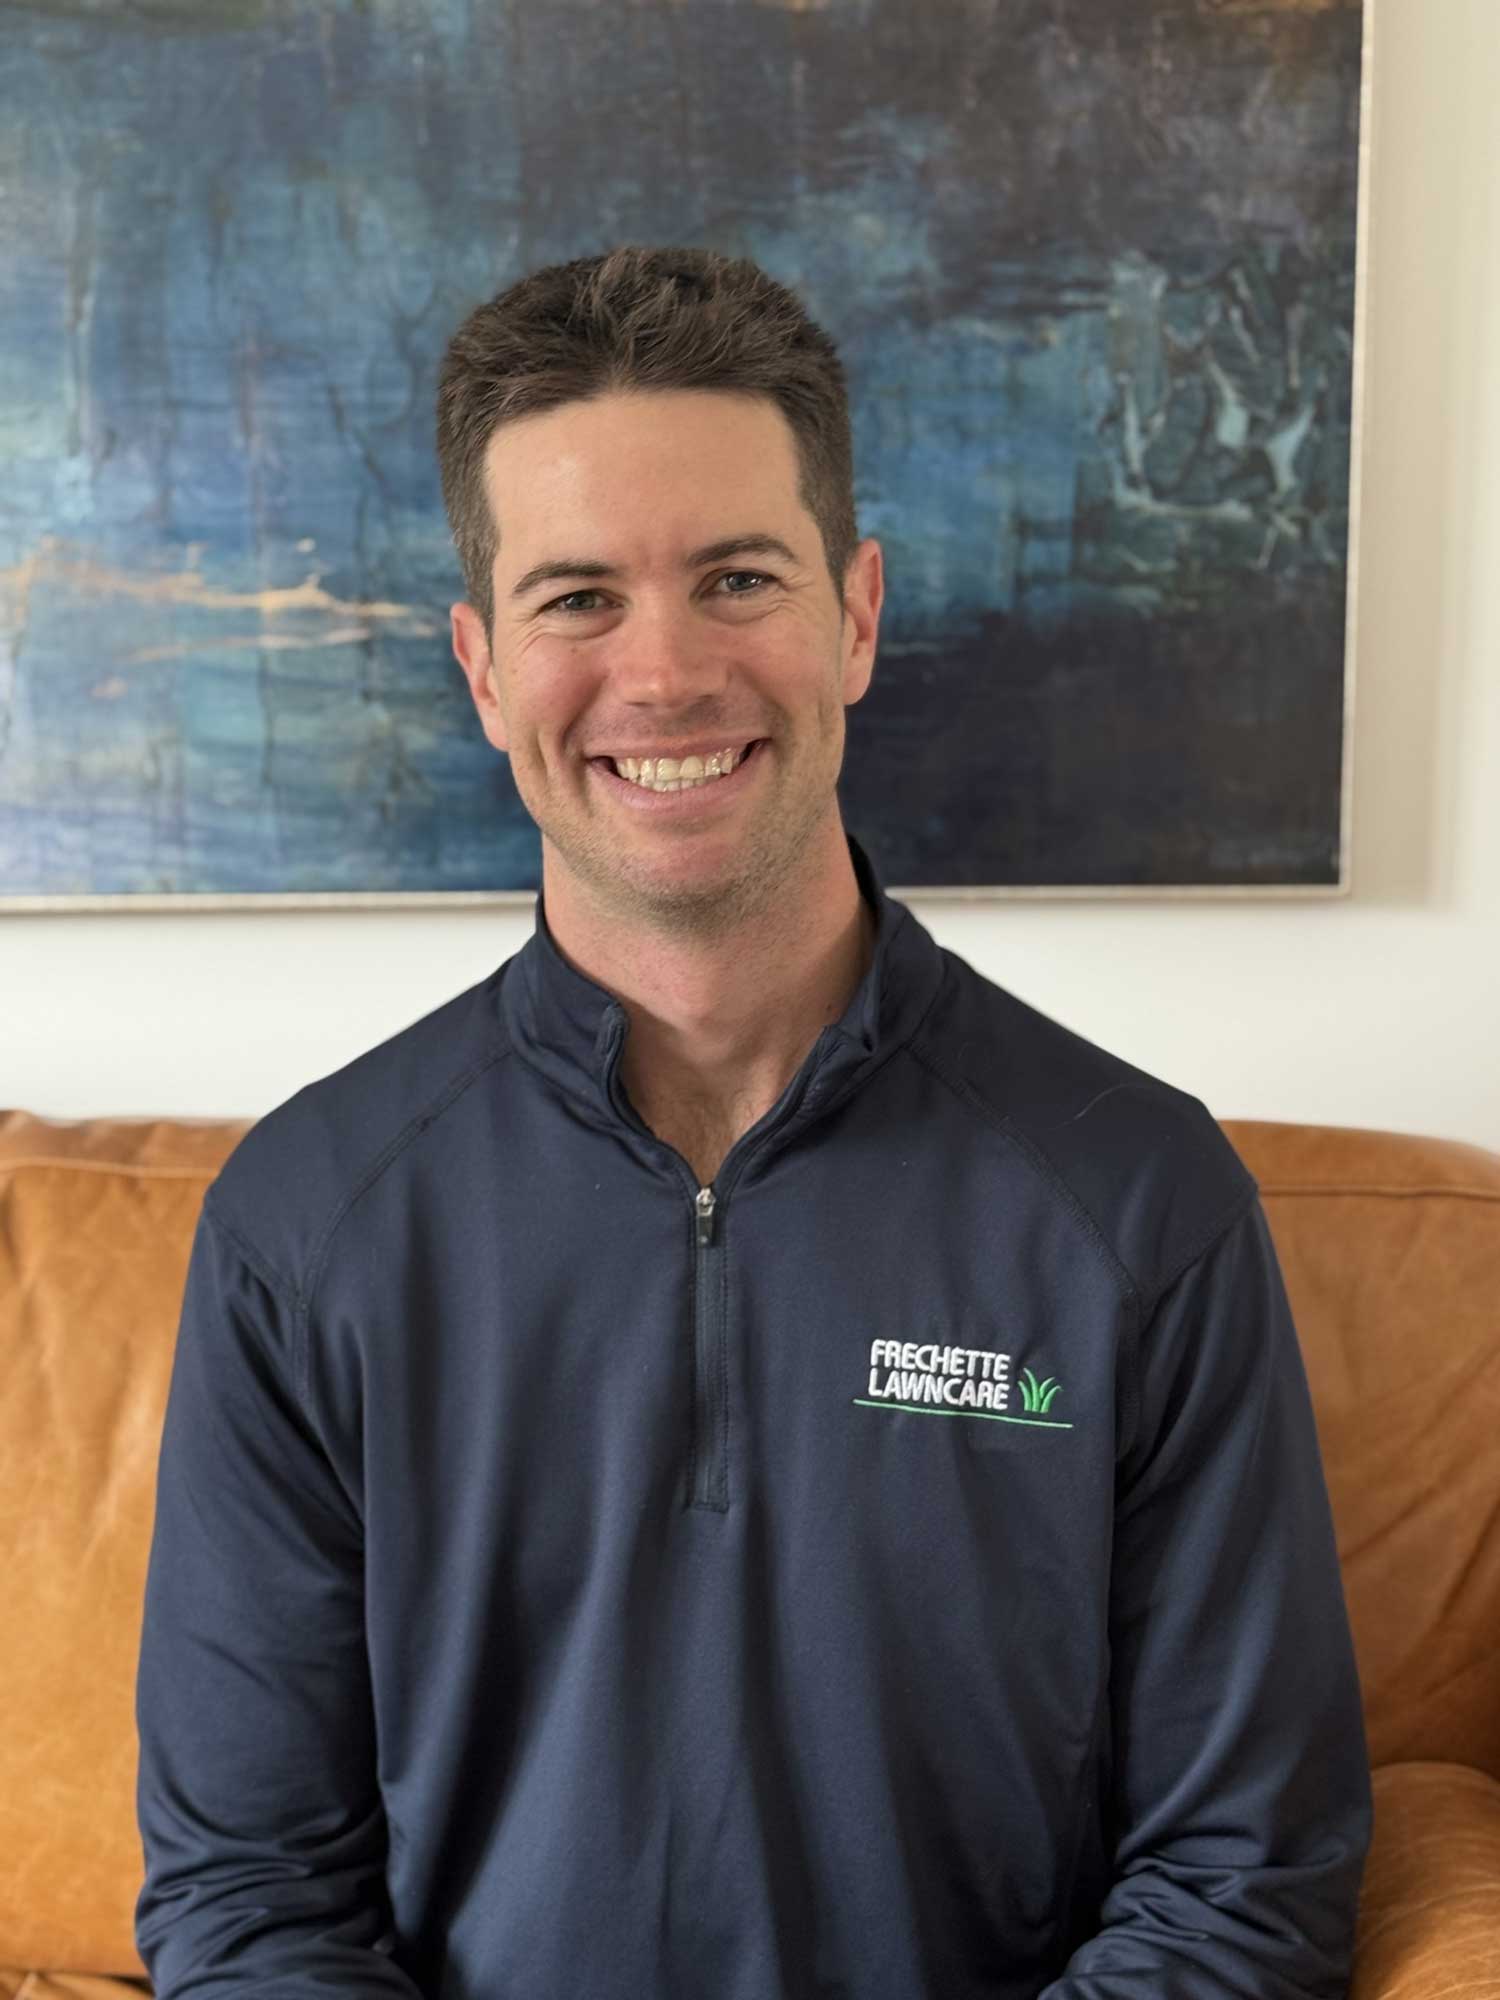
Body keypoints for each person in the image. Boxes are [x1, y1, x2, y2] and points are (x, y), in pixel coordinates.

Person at [134, 244, 1373, 2000]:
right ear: (482, 671)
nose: (663, 674)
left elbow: (1242, 1878)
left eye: (736, 578)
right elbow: (250, 1901)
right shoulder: (304, 1228)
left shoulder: (1137, 1199)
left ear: (855, 617)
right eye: (578, 597)